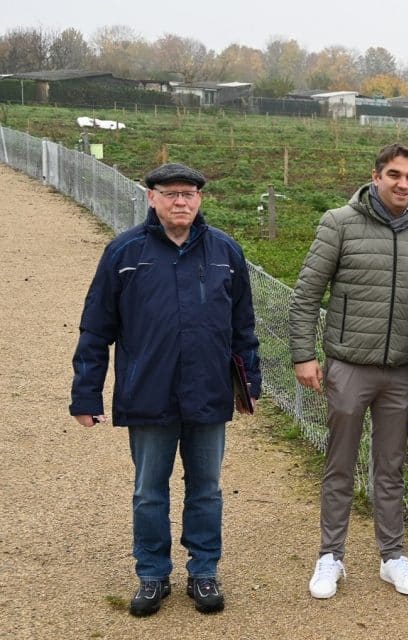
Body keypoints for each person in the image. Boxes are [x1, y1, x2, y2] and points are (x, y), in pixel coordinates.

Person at [70, 163, 261, 617]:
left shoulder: (225, 254)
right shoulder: (125, 253)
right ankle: (152, 575)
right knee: (149, 491)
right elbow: (96, 328)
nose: (182, 202)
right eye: (172, 193)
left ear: (199, 199)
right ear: (151, 197)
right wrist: (86, 394)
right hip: (147, 395)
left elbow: (244, 327)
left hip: (208, 394)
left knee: (207, 489)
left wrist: (248, 383)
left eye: (190, 193)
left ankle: (204, 571)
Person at [288, 143, 408, 600]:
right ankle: (330, 557)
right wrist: (303, 355)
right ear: (375, 177)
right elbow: (306, 292)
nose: (403, 184)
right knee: (340, 466)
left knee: (390, 468)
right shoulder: (339, 223)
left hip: (403, 372)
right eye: (394, 174)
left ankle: (392, 556)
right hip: (349, 367)